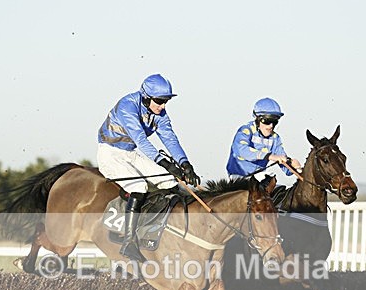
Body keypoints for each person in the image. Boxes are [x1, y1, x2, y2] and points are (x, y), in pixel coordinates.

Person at [97, 73, 201, 262]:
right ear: (145, 97)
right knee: (139, 187)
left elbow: (169, 138)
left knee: (169, 182)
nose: (162, 106)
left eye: (166, 102)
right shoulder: (127, 106)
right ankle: (129, 242)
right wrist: (168, 164)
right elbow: (142, 141)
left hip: (130, 154)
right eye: (159, 101)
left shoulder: (159, 113)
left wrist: (185, 164)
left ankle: (155, 230)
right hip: (110, 153)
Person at [226, 97, 302, 182]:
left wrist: (295, 167)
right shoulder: (245, 131)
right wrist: (269, 156)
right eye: (267, 121)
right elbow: (241, 150)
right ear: (257, 119)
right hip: (239, 178)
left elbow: (284, 165)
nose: (271, 126)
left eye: (275, 122)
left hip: (258, 179)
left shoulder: (275, 138)